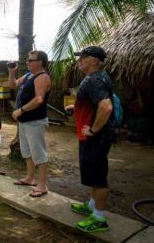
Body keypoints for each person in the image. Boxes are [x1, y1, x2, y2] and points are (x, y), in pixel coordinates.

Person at [66, 46, 114, 233]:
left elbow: (106, 107)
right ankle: (93, 205)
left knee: (98, 175)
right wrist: (75, 110)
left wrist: (93, 130)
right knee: (93, 173)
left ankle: (99, 218)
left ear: (95, 60)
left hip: (96, 136)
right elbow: (95, 105)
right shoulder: (95, 78)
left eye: (84, 57)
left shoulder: (96, 79)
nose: (80, 60)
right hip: (91, 135)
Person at [9, 50, 51, 198]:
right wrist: (12, 72)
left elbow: (39, 99)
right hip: (25, 121)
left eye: (31, 60)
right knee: (27, 151)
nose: (27, 62)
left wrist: (21, 110)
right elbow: (13, 85)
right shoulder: (28, 75)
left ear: (40, 62)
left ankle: (42, 185)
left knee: (39, 153)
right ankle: (30, 177)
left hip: (35, 121)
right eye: (28, 60)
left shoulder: (42, 77)